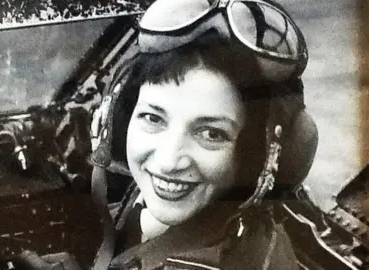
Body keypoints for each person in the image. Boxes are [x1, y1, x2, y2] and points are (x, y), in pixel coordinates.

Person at [88, 0, 318, 269]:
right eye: (153, 118)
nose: (168, 161)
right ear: (116, 120)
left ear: (257, 157)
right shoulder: (135, 207)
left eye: (211, 133)